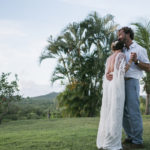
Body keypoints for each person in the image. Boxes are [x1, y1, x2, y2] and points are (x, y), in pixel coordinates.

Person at [107, 27, 150, 149]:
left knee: (133, 111)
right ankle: (130, 136)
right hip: (119, 83)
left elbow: (148, 67)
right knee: (121, 111)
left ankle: (138, 141)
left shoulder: (139, 49)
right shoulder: (120, 49)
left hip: (131, 82)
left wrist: (136, 61)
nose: (118, 37)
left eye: (120, 34)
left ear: (128, 34)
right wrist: (108, 73)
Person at [96, 40, 132, 150]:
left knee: (108, 110)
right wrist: (130, 61)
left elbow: (107, 73)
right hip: (117, 84)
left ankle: (105, 139)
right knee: (116, 111)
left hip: (109, 85)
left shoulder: (109, 58)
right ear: (122, 47)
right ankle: (113, 143)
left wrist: (108, 74)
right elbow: (122, 71)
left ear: (113, 48)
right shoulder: (121, 55)